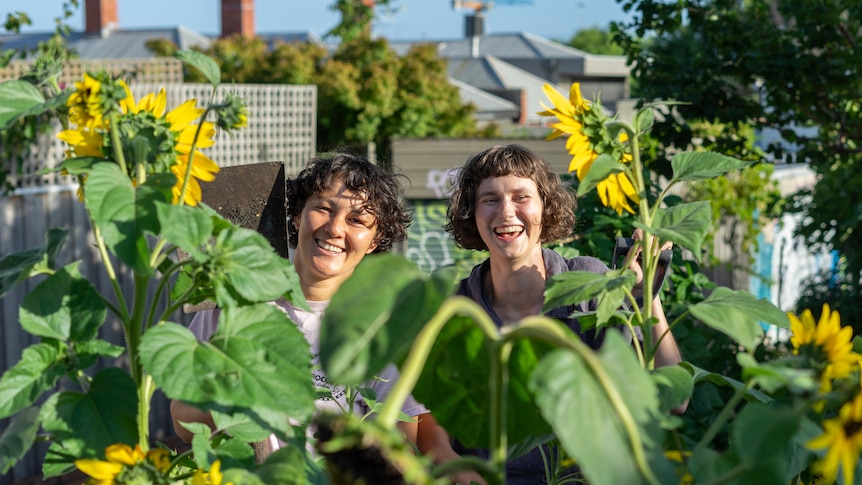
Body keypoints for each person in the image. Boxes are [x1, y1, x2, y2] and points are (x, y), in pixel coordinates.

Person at [170, 153, 483, 484]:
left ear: (375, 240)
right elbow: (183, 420)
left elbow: (403, 443)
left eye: (357, 220)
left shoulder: (383, 328)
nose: (335, 229)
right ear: (296, 217)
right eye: (323, 208)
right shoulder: (232, 302)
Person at [444, 144, 685, 484]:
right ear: (472, 214)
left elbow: (674, 399)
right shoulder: (458, 308)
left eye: (521, 197)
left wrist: (644, 298)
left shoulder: (588, 284)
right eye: (490, 199)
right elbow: (429, 419)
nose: (506, 212)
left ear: (547, 208)